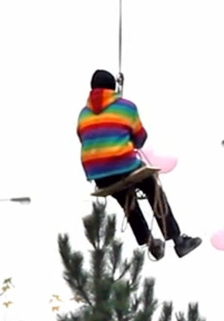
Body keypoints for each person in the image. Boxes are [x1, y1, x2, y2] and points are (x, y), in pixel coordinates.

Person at [76, 69, 201, 260]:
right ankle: (177, 241)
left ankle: (150, 243)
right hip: (122, 165)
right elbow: (140, 139)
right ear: (113, 88)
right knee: (152, 188)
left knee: (126, 198)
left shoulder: (83, 115)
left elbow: (84, 139)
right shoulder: (126, 107)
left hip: (98, 173)